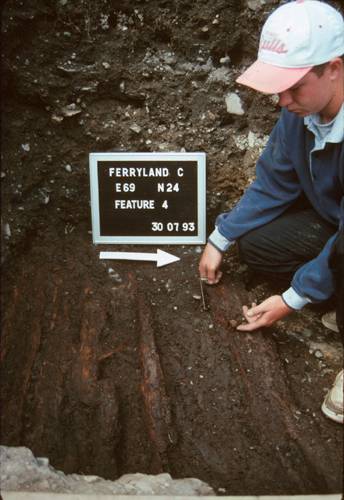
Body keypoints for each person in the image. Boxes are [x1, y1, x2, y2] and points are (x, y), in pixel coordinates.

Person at [199, 0, 343, 423]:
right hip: (334, 221)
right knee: (258, 246)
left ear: (332, 68)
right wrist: (219, 239)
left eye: (294, 87)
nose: (282, 100)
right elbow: (273, 182)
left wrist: (292, 298)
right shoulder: (302, 113)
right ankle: (331, 293)